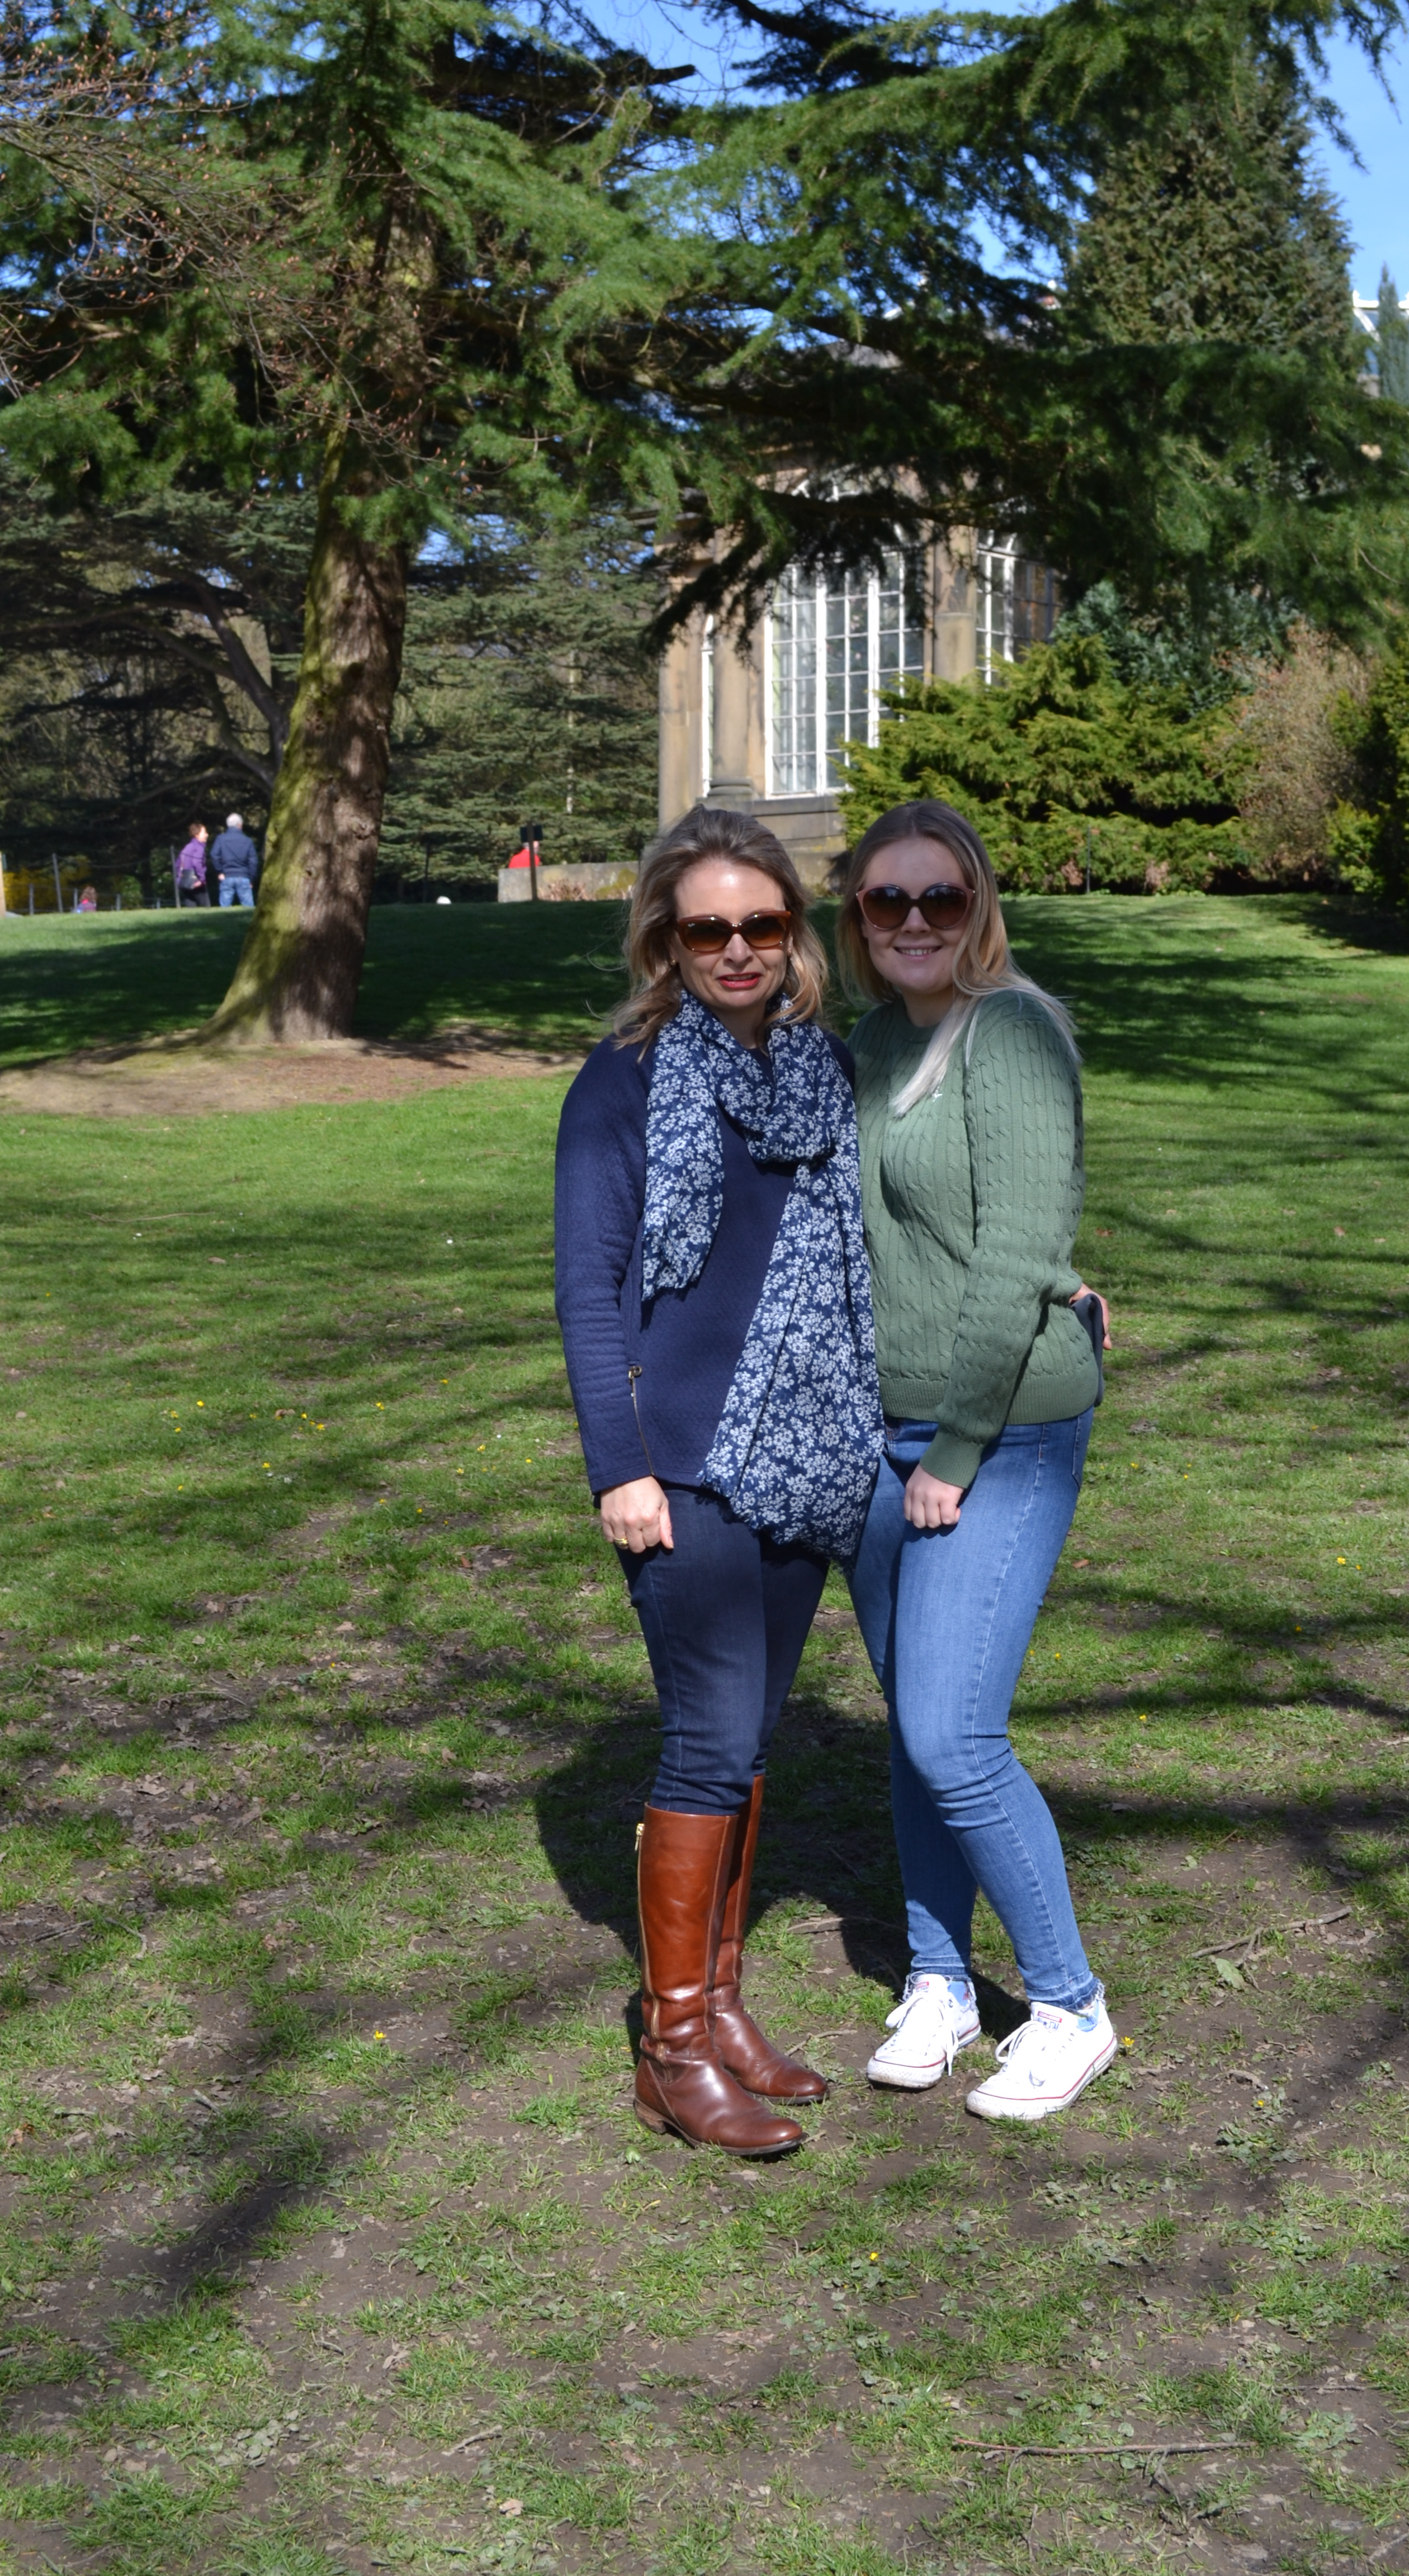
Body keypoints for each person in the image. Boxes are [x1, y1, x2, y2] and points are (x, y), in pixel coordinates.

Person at [555, 806, 883, 2156]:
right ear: (664, 942)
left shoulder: (824, 1069)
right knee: (706, 1738)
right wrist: (616, 1468)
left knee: (749, 1742)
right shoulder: (621, 1084)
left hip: (804, 1450)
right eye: (707, 929)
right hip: (679, 1466)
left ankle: (724, 2006)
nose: (737, 949)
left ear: (792, 931)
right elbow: (588, 1291)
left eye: (761, 922)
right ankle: (672, 2048)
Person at [841, 797, 1116, 2123]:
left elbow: (1013, 1254)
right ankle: (941, 1980)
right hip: (877, 1430)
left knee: (952, 1730)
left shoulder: (1009, 1033)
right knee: (913, 1724)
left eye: (938, 897)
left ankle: (1069, 2005)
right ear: (856, 919)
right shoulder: (871, 1044)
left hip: (995, 1431)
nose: (913, 922)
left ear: (978, 907)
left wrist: (952, 1449)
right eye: (885, 900)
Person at [210, 813, 259, 906]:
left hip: (227, 876)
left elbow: (214, 855)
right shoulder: (247, 841)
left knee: (225, 909)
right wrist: (252, 878)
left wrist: (220, 871)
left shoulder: (221, 839)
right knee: (248, 909)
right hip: (244, 876)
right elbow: (253, 862)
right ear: (240, 825)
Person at [174, 823, 210, 907]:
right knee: (206, 908)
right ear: (197, 835)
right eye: (204, 833)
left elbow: (177, 865)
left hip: (185, 883)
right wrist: (202, 879)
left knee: (191, 908)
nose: (207, 835)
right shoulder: (199, 848)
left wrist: (180, 878)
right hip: (196, 882)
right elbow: (197, 863)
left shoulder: (187, 847)